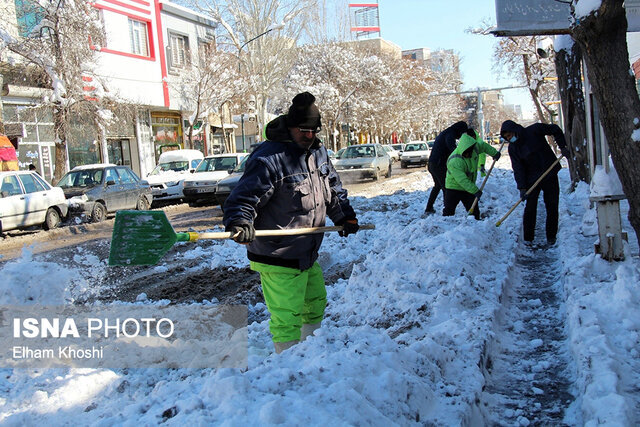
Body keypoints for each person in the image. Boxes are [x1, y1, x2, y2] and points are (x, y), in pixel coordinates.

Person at [223, 92, 360, 354]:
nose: (309, 135)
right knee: (287, 317)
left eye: (313, 130)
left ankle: (310, 353)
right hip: (278, 252)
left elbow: (332, 187)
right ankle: (288, 366)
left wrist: (344, 216)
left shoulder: (317, 152)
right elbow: (244, 196)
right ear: (290, 126)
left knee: (315, 303)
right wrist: (240, 220)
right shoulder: (269, 158)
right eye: (303, 130)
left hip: (306, 251)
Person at [500, 120, 569, 245]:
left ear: (514, 130)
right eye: (507, 138)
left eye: (510, 136)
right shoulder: (513, 148)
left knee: (552, 205)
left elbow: (555, 129)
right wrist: (522, 187)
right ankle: (528, 238)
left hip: (549, 173)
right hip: (531, 180)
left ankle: (551, 236)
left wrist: (563, 146)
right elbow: (518, 168)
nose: (510, 139)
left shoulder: (534, 130)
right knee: (530, 208)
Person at [444, 129, 500, 220]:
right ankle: (445, 228)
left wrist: (494, 153)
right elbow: (462, 180)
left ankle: (476, 226)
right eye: (465, 153)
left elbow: (484, 146)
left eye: (469, 153)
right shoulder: (455, 160)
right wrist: (475, 191)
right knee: (449, 211)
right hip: (453, 188)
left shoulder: (474, 148)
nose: (468, 155)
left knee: (474, 211)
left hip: (468, 187)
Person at [424, 121, 469, 214]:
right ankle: (448, 210)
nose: (460, 136)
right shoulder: (450, 134)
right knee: (446, 186)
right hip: (438, 164)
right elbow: (452, 148)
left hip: (432, 163)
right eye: (462, 133)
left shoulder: (447, 132)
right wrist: (461, 155)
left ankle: (429, 208)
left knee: (437, 186)